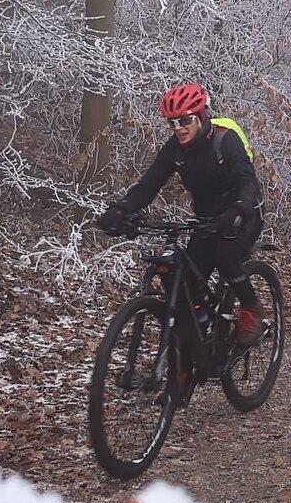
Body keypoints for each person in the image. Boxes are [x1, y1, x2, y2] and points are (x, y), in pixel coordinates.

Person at [96, 83, 264, 345]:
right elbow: (149, 184)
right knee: (187, 278)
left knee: (225, 256)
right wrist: (121, 209)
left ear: (202, 116)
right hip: (206, 217)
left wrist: (238, 209)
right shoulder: (174, 148)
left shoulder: (225, 139)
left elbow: (247, 180)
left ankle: (251, 307)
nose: (178, 128)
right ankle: (198, 338)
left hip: (242, 209)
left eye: (185, 120)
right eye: (172, 122)